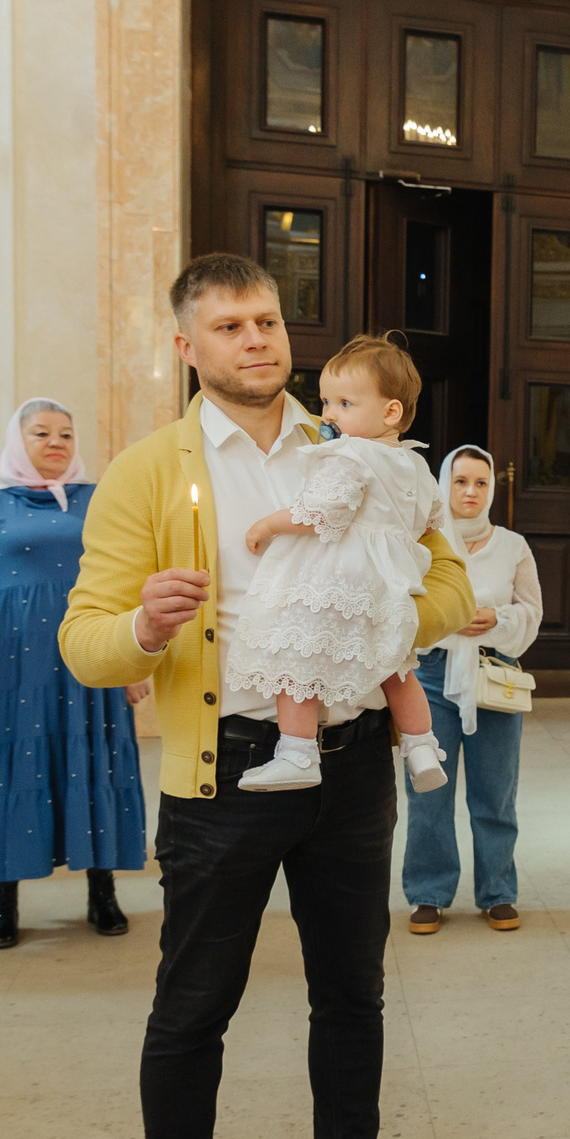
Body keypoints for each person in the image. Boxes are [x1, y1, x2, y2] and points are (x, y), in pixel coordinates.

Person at [59, 258, 475, 1139]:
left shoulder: (357, 453)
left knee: (353, 993)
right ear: (187, 348)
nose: (259, 339)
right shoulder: (150, 473)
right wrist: (145, 626)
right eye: (231, 325)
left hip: (348, 761)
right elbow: (84, 640)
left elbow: (450, 585)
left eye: (271, 320)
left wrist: (387, 612)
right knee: (193, 1007)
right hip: (225, 770)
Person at [0, 398, 150, 948]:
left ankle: (102, 891)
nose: (56, 442)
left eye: (65, 433)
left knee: (97, 762)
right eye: (41, 433)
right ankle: (3, 902)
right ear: (19, 440)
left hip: (93, 659)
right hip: (16, 666)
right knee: (11, 770)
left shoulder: (101, 499)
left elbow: (129, 581)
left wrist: (135, 657)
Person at [223, 336, 450, 795]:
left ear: (389, 412)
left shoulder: (349, 454)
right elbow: (430, 521)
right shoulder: (415, 465)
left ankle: (296, 753)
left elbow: (322, 513)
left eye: (344, 403)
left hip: (336, 581)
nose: (328, 414)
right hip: (390, 585)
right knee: (396, 667)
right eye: (326, 400)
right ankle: (421, 745)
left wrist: (269, 523)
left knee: (298, 658)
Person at [404, 445, 541, 933]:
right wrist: (451, 619)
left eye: (480, 483)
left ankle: (498, 891)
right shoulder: (425, 542)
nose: (470, 491)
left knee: (495, 792)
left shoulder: (512, 545)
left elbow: (531, 613)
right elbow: (407, 609)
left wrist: (495, 620)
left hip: (495, 674)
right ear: (445, 485)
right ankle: (428, 893)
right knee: (428, 790)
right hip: (431, 678)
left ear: (492, 490)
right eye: (461, 481)